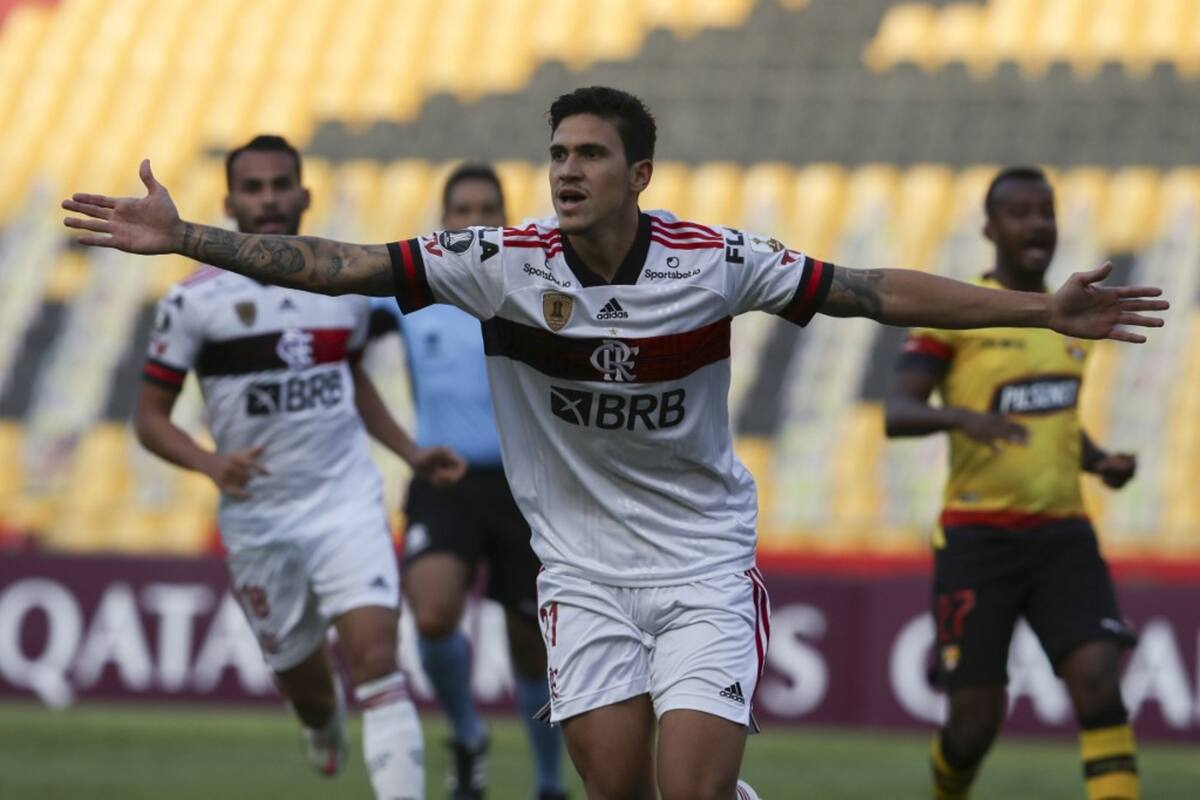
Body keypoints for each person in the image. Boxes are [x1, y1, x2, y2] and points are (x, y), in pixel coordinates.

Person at [64, 88, 1166, 800]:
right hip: (581, 575)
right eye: (557, 153)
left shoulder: (713, 261)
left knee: (687, 793)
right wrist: (188, 237)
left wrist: (1039, 308)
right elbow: (342, 265)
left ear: (640, 173)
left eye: (591, 154)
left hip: (699, 567)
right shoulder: (500, 263)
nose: (567, 170)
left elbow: (872, 291)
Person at [131, 134, 466, 800]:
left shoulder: (344, 288)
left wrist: (408, 451)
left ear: (305, 194)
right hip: (259, 519)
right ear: (229, 202)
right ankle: (320, 723)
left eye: (280, 184)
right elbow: (149, 418)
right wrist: (208, 462)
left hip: (345, 502)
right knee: (309, 692)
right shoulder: (192, 302)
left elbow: (351, 378)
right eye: (253, 188)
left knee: (377, 660)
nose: (268, 199)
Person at [883, 166, 1141, 800]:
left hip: (1064, 533)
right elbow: (898, 411)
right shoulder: (957, 312)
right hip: (979, 539)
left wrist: (1098, 461)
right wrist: (963, 418)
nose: (1037, 224)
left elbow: (1051, 420)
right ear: (990, 229)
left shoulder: (1074, 319)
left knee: (1099, 682)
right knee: (973, 726)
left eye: (1046, 211)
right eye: (1020, 213)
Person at [372, 163, 565, 800]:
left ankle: (548, 782)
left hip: (525, 485)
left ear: (505, 220)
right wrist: (405, 448)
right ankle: (466, 733)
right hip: (443, 480)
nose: (476, 221)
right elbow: (340, 349)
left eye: (488, 210)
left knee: (532, 646)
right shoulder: (412, 290)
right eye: (463, 210)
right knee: (431, 614)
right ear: (443, 220)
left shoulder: (533, 285)